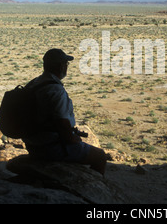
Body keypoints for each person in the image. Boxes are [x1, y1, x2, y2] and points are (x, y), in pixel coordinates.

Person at [22, 48, 107, 176]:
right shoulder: (56, 90)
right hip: (51, 147)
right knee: (100, 156)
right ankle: (93, 189)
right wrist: (74, 139)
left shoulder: (34, 83)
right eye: (66, 64)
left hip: (33, 144)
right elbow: (62, 125)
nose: (66, 67)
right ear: (62, 66)